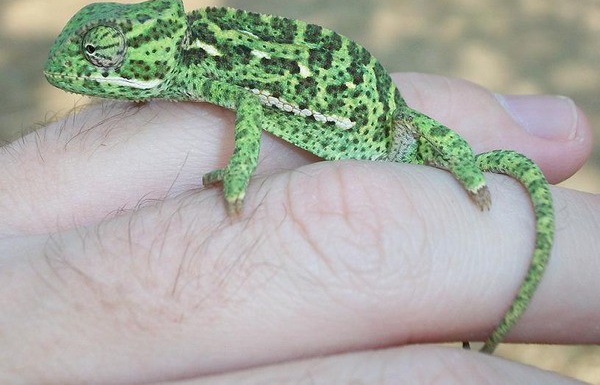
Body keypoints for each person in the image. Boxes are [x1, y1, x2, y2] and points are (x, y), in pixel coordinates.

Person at [0, 73, 596, 384]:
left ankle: (468, 170)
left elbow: (249, 104)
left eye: (107, 59)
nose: (84, 73)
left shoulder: (206, 69)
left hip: (373, 127)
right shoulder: (189, 60)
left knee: (433, 152)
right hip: (364, 121)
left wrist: (238, 172)